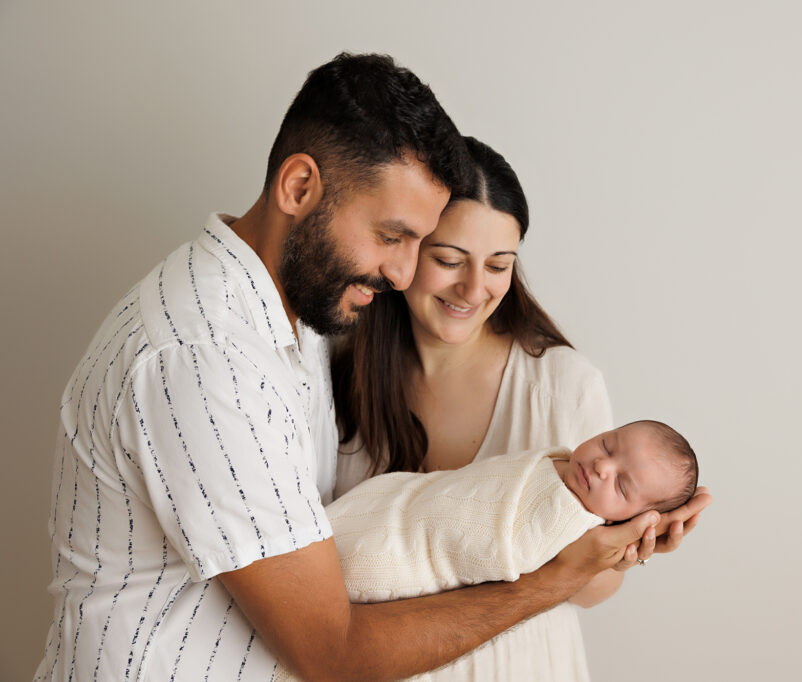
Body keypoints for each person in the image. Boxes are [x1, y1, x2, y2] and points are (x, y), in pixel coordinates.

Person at [34, 53, 684, 682]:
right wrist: (550, 583)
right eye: (394, 236)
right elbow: (331, 649)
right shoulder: (207, 361)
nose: (404, 272)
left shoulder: (308, 319)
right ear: (298, 188)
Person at [332, 137, 713, 680]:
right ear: (407, 246)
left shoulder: (562, 384)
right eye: (448, 259)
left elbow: (590, 590)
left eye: (498, 265)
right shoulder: (341, 376)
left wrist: (627, 548)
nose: (473, 288)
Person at [275, 421, 698, 681]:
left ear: (631, 520)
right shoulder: (561, 462)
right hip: (395, 507)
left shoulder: (573, 525)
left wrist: (629, 548)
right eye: (608, 444)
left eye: (622, 485)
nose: (603, 465)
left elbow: (491, 550)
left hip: (410, 568)